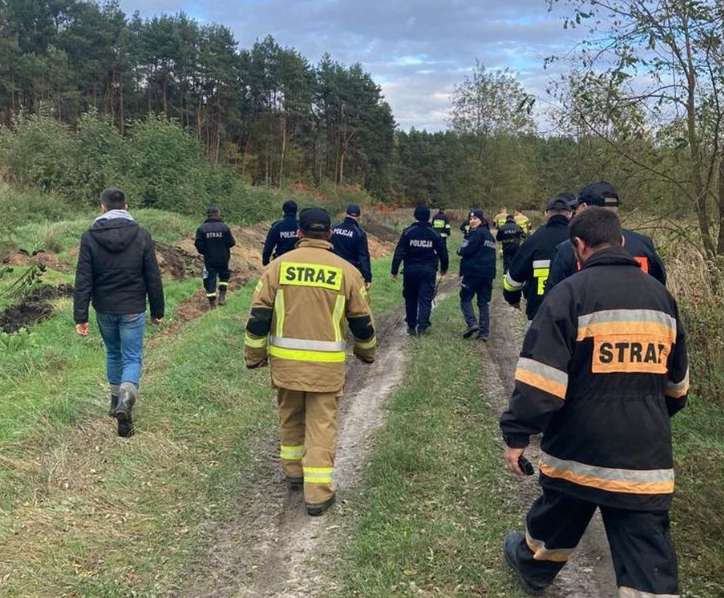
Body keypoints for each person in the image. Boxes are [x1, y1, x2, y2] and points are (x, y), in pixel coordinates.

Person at [499, 208, 688, 598]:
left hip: (578, 450)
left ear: (579, 246)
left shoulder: (569, 294)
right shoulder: (662, 298)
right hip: (644, 457)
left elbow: (540, 382)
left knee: (561, 509)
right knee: (647, 553)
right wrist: (643, 418)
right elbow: (677, 387)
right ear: (621, 241)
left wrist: (517, 436)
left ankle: (535, 567)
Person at [244, 207, 376, 516]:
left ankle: (294, 473)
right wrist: (367, 353)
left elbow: (258, 318)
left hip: (286, 364)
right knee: (321, 424)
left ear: (299, 233)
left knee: (290, 415)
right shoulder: (347, 272)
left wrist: (254, 356)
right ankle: (317, 494)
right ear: (329, 234)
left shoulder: (277, 268)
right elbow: (362, 323)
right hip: (326, 369)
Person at [73, 188, 164, 438]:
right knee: (132, 357)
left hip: (104, 307)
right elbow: (153, 277)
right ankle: (126, 400)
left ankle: (115, 403)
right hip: (133, 307)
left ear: (102, 207)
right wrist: (157, 310)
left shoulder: (90, 237)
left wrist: (81, 316)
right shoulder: (142, 235)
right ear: (126, 206)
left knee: (114, 353)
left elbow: (83, 278)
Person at [546, 181, 666, 294]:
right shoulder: (644, 245)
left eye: (576, 209)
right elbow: (659, 288)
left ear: (583, 207)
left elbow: (554, 297)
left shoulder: (570, 248)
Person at [503, 196, 572, 322]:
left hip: (539, 313)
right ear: (570, 214)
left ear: (546, 214)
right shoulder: (580, 238)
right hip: (572, 315)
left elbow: (513, 279)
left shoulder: (534, 240)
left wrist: (513, 299)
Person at [391, 205, 449, 336]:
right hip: (428, 270)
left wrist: (394, 270)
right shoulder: (434, 233)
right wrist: (444, 269)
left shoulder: (408, 232)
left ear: (415, 215)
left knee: (410, 298)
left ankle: (411, 326)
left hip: (410, 270)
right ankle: (422, 327)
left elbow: (399, 252)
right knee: (425, 298)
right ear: (428, 217)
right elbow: (443, 253)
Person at [457, 209, 496, 341]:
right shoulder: (490, 236)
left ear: (481, 220)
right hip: (488, 274)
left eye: (475, 218)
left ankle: (472, 323)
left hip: (473, 273)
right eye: (470, 219)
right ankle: (484, 333)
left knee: (465, 298)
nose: (472, 221)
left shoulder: (476, 234)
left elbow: (467, 250)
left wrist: (459, 250)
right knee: (483, 303)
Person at [194, 205, 236, 308]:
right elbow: (232, 242)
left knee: (210, 280)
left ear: (207, 215)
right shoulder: (224, 227)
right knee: (224, 277)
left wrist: (205, 252)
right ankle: (222, 297)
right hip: (223, 258)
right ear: (217, 214)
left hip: (209, 260)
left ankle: (212, 304)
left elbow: (198, 244)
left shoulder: (202, 229)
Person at [331, 203, 372, 290]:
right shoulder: (359, 233)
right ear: (359, 216)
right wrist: (367, 277)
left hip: (333, 269)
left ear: (346, 214)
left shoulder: (334, 229)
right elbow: (363, 256)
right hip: (350, 271)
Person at [262, 200, 299, 266]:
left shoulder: (277, 226)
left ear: (283, 211)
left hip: (281, 260)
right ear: (296, 211)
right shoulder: (301, 226)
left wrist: (265, 261)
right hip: (297, 262)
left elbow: (269, 246)